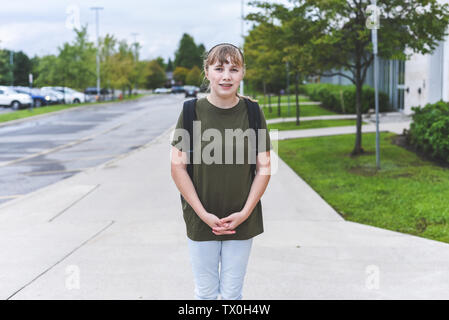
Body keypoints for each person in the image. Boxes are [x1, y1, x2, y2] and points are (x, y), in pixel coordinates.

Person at [170, 43, 272, 300]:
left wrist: (245, 212)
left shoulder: (253, 112)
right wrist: (202, 214)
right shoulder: (190, 111)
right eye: (219, 68)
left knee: (232, 294)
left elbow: (265, 167)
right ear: (207, 72)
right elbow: (177, 167)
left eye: (233, 69)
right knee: (205, 294)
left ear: (242, 73)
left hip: (242, 218)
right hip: (200, 217)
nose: (226, 76)